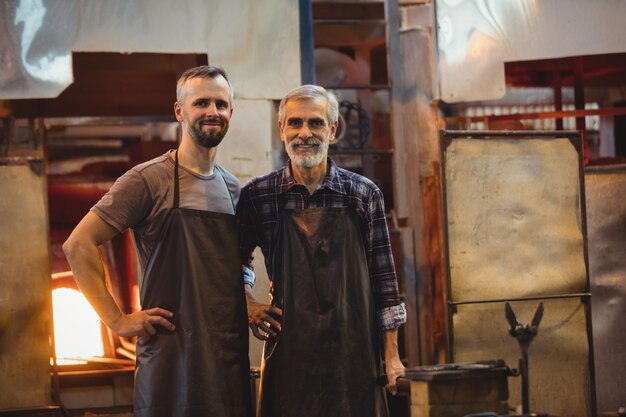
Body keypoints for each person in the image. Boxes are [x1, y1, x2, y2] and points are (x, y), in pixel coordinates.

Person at [63, 65, 253, 417]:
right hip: (169, 355)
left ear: (230, 112)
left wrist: (250, 301)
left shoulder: (233, 189)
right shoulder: (147, 180)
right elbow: (78, 244)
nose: (212, 111)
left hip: (224, 357)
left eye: (221, 104)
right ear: (179, 111)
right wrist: (117, 321)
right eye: (201, 103)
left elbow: (237, 264)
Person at [237, 84, 406, 417]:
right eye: (296, 123)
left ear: (333, 129)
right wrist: (247, 305)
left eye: (315, 123)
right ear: (281, 129)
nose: (305, 134)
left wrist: (392, 357)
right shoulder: (258, 196)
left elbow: (385, 286)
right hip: (289, 357)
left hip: (354, 353)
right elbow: (234, 262)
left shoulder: (362, 195)